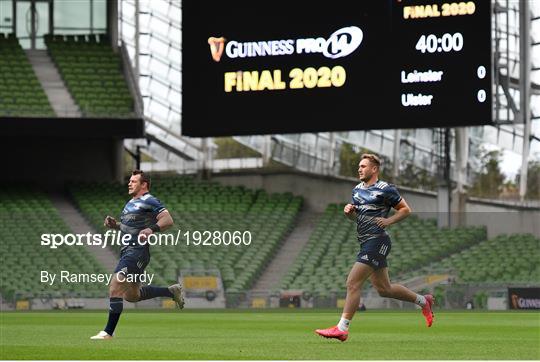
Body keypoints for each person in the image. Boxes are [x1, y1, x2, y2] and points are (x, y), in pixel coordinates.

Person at [315, 154, 434, 342]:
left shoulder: (385, 189)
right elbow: (359, 219)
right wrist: (350, 215)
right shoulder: (356, 190)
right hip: (365, 241)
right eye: (359, 166)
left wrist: (388, 220)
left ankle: (342, 328)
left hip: (377, 241)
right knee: (384, 289)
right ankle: (423, 301)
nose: (359, 169)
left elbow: (405, 210)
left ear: (374, 169)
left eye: (363, 166)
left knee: (353, 283)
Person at [90, 170, 184, 340]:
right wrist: (116, 225)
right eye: (130, 181)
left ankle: (107, 332)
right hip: (128, 251)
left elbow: (168, 220)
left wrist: (151, 229)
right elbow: (132, 227)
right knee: (132, 296)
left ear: (144, 184)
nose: (129, 183)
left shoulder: (150, 200)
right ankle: (171, 292)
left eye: (133, 181)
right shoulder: (130, 203)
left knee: (116, 284)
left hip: (137, 252)